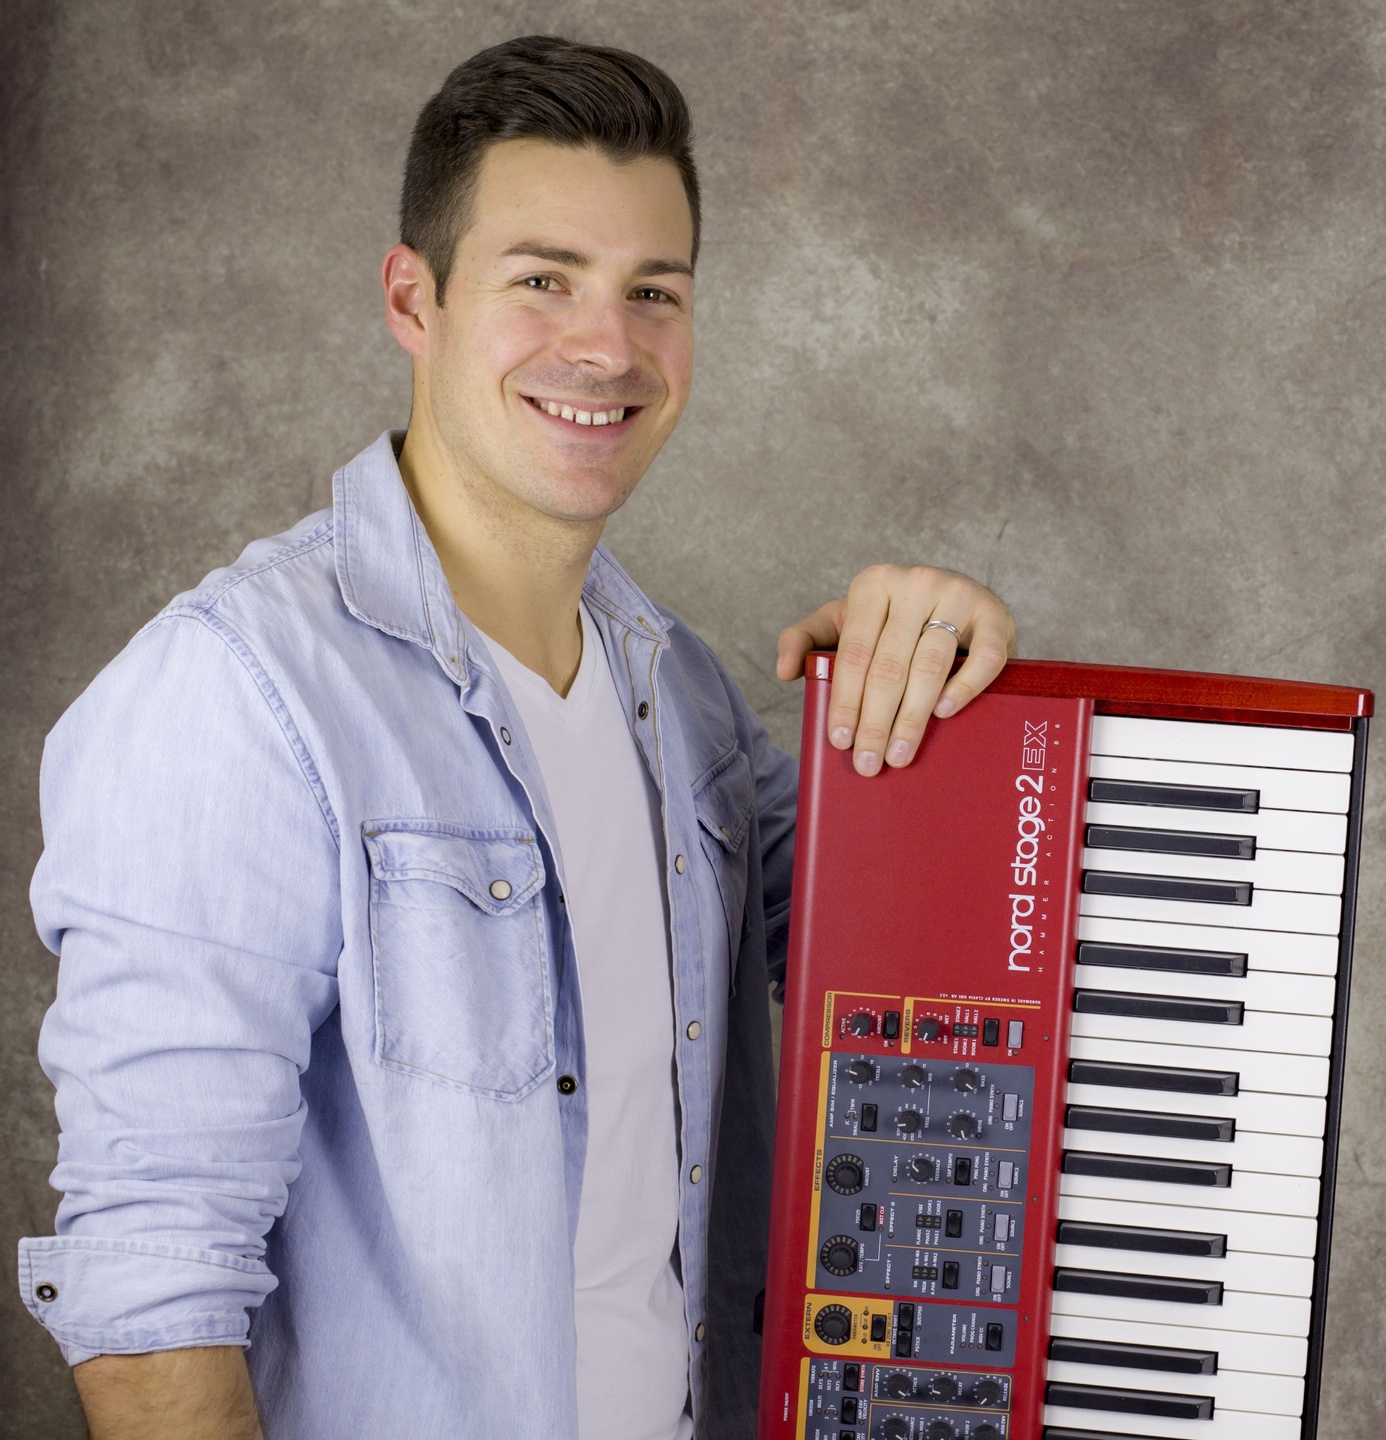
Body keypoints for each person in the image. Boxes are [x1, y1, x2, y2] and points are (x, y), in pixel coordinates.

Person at [18, 35, 1015, 1440]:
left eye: (652, 291)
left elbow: (922, 974)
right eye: (543, 279)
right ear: (412, 299)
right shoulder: (237, 691)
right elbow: (153, 1292)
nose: (607, 347)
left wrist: (948, 679)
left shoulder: (685, 696)